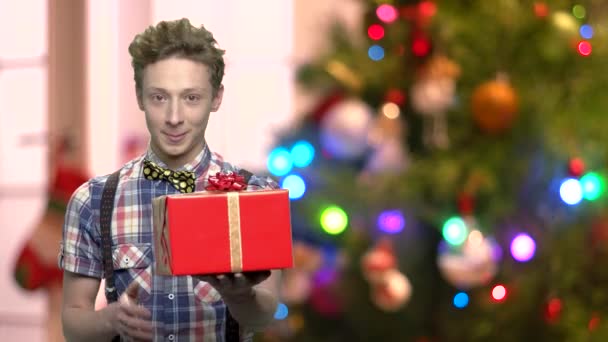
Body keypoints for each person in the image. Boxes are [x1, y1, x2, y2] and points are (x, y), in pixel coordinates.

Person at [59, 18, 282, 341]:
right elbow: (72, 323)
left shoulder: (255, 195)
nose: (174, 117)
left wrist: (238, 295)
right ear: (139, 96)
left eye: (191, 98)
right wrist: (111, 319)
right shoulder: (92, 200)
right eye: (159, 97)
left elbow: (264, 316)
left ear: (216, 98)